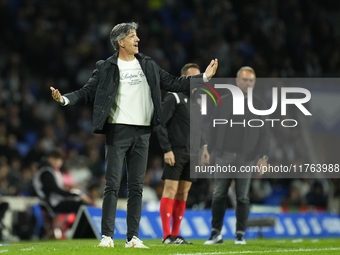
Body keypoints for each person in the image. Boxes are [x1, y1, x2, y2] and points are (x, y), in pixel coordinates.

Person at [50, 22, 218, 248]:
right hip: (118, 130)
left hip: (143, 132)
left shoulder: (148, 64)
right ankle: (107, 236)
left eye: (137, 36)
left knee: (136, 186)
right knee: (112, 185)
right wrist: (65, 99)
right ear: (121, 42)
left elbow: (174, 82)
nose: (137, 39)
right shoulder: (106, 66)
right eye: (132, 36)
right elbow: (87, 91)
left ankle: (133, 238)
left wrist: (204, 78)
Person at [204, 66, 269, 245]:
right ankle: (215, 233)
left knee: (242, 197)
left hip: (246, 158)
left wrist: (263, 157)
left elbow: (265, 134)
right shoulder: (222, 102)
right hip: (224, 156)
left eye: (251, 81)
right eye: (245, 80)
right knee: (218, 195)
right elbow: (212, 128)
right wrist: (209, 150)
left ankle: (240, 234)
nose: (248, 83)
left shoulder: (260, 106)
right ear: (237, 81)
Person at [157, 63, 210, 245]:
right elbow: (160, 124)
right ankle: (166, 236)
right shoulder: (174, 97)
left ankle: (176, 234)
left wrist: (204, 148)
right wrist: (166, 149)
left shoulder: (197, 103)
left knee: (183, 194)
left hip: (192, 155)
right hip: (176, 153)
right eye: (193, 77)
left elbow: (198, 130)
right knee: (170, 191)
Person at [33, 150, 92, 214]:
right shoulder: (46, 173)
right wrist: (76, 195)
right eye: (57, 159)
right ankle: (78, 224)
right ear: (50, 159)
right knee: (82, 204)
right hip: (49, 203)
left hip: (55, 201)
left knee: (83, 202)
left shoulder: (54, 172)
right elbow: (56, 190)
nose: (59, 162)